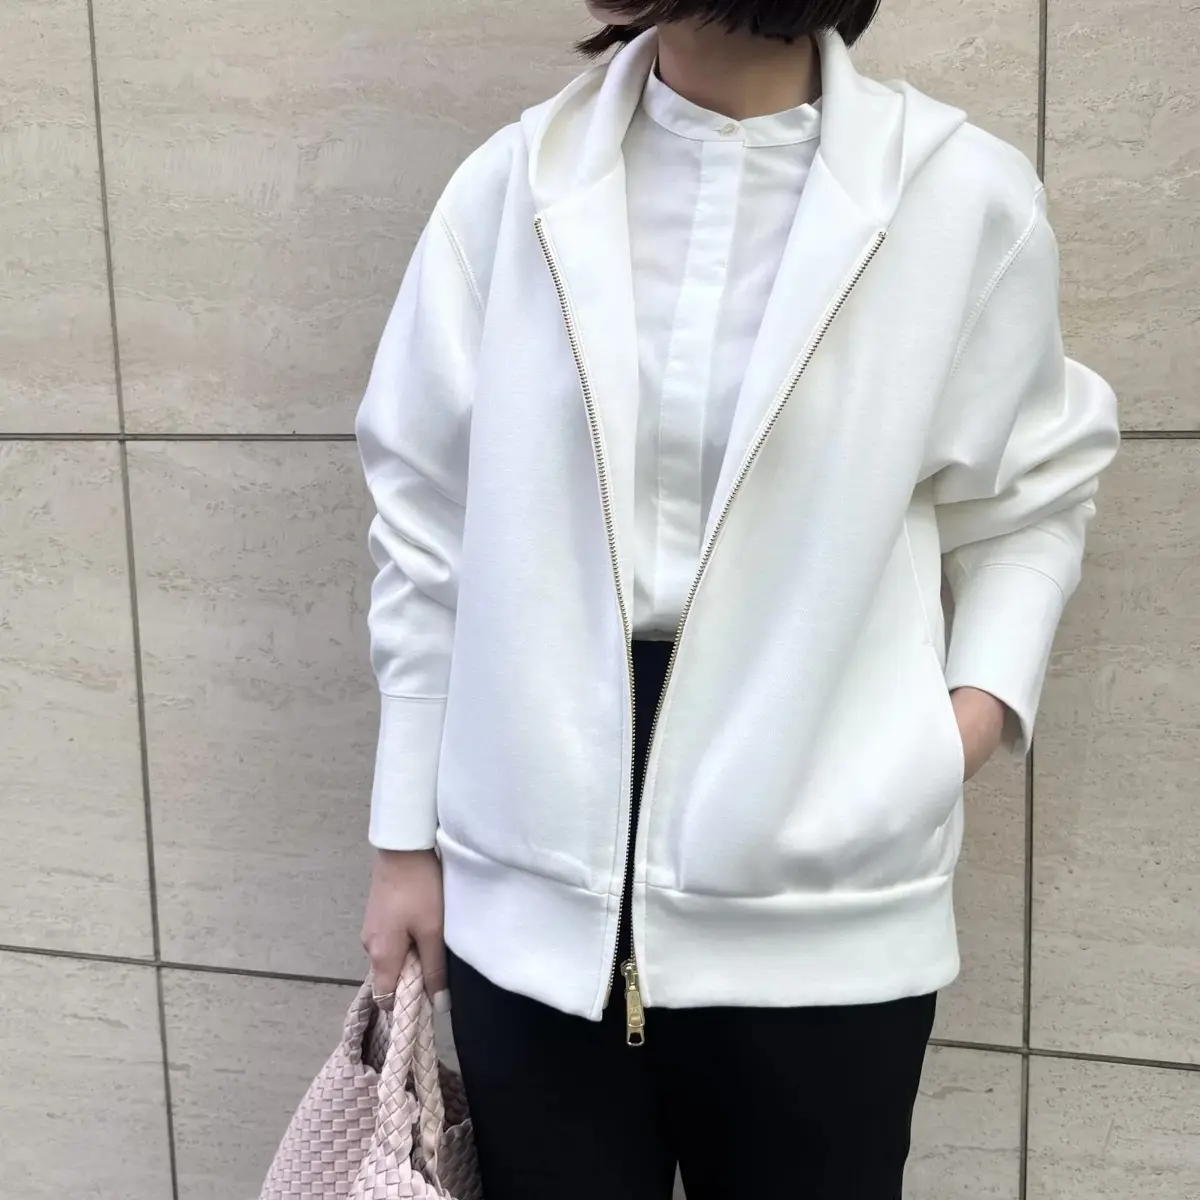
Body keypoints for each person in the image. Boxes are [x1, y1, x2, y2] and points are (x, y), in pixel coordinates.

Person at [355, 2, 1120, 1196]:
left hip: (826, 923)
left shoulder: (959, 197)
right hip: (529, 913)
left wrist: (949, 734)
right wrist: (405, 839)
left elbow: (1031, 495)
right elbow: (423, 520)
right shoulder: (507, 192)